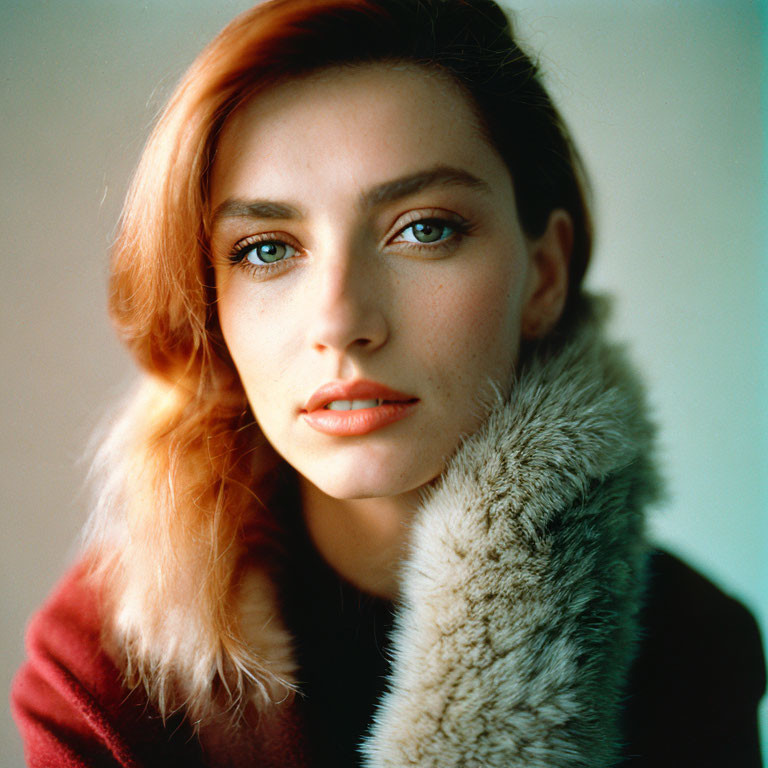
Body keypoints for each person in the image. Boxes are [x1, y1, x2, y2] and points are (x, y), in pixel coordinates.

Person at [10, 0, 766, 765]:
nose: (340, 322)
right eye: (267, 249)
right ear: (211, 302)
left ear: (543, 275)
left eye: (424, 228)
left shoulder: (693, 651)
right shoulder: (101, 664)